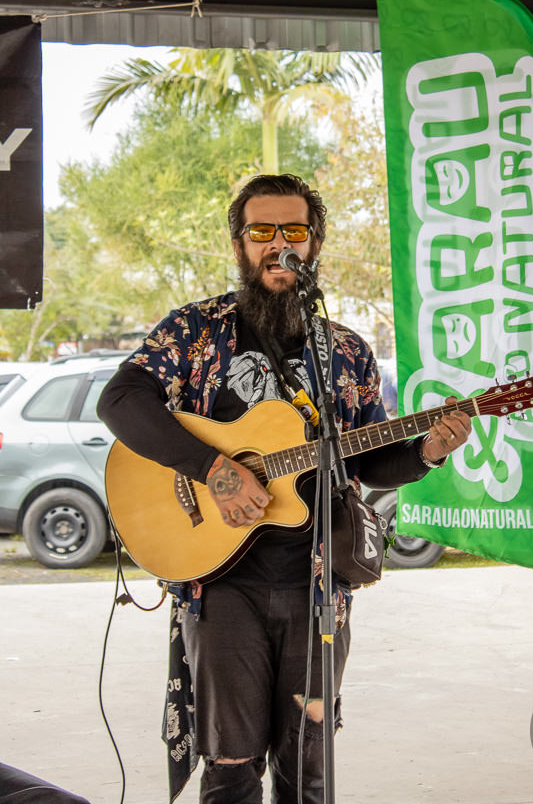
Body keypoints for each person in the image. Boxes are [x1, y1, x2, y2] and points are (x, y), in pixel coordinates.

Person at [98, 173, 471, 804]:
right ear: (239, 243)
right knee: (231, 768)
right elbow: (121, 399)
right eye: (261, 232)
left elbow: (368, 457)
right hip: (221, 585)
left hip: (318, 580)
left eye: (293, 231)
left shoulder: (344, 351)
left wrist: (427, 451)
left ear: (315, 241)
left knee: (308, 768)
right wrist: (214, 469)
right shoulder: (196, 331)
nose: (278, 245)